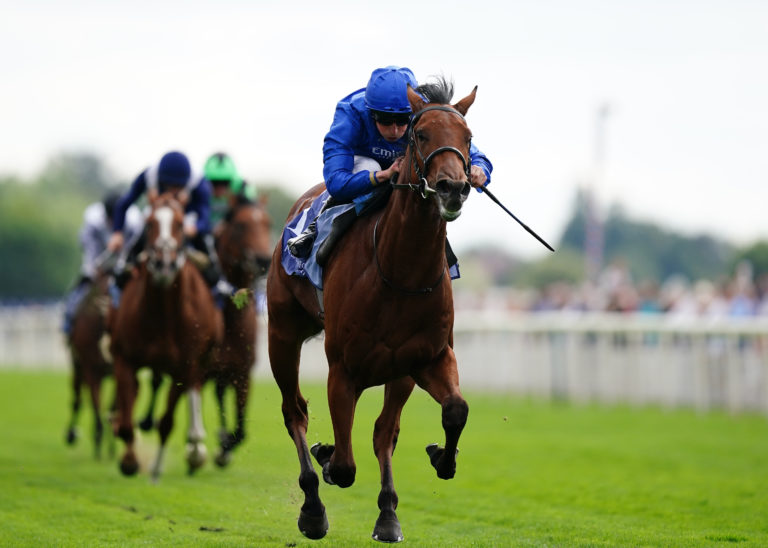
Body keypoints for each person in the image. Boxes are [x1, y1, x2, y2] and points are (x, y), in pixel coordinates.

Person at [287, 65, 493, 258]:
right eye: (385, 120)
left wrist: (479, 168)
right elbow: (336, 183)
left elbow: (466, 148)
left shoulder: (424, 112)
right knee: (371, 166)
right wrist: (383, 175)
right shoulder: (350, 113)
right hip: (362, 167)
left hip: (404, 170)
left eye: (403, 121)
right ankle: (318, 228)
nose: (395, 130)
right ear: (371, 113)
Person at [107, 150, 233, 303]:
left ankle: (217, 284)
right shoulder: (148, 176)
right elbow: (124, 204)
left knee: (207, 247)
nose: (172, 191)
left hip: (185, 221)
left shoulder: (199, 183)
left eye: (177, 187)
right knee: (135, 243)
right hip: (157, 220)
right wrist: (117, 232)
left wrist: (195, 228)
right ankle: (118, 283)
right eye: (168, 186)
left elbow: (205, 217)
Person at [62, 189, 142, 336]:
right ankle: (68, 323)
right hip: (98, 261)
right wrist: (93, 269)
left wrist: (125, 267)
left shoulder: (134, 223)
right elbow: (89, 248)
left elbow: (134, 250)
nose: (113, 223)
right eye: (110, 219)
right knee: (78, 291)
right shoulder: (93, 223)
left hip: (123, 265)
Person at [203, 152, 257, 229]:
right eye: (215, 183)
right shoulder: (197, 190)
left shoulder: (243, 188)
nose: (219, 187)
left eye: (225, 183)